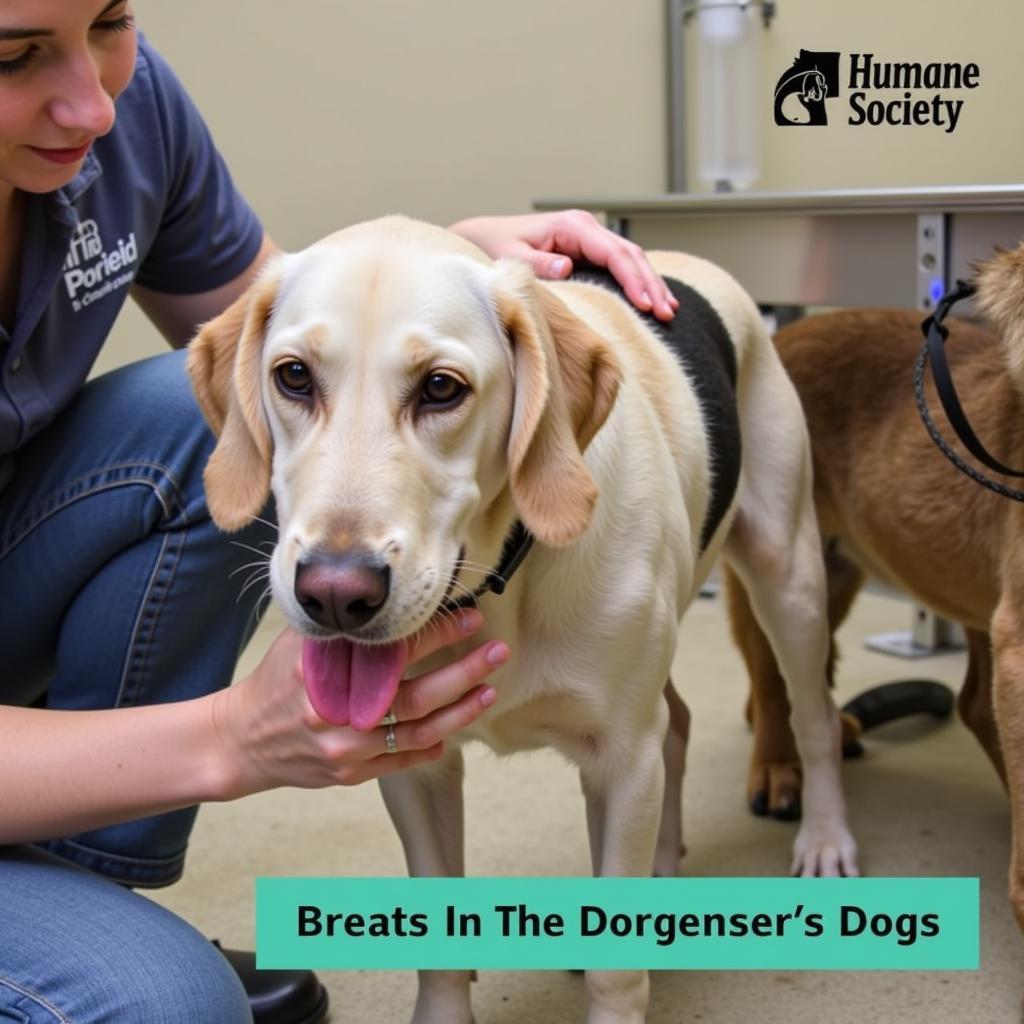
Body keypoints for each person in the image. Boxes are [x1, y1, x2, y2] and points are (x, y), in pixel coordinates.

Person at [0, 3, 679, 1022]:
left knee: (205, 421)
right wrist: (230, 736)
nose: (94, 101)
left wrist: (460, 277)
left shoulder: (132, 113)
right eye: (12, 55)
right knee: (168, 1006)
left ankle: (72, 874)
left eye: (109, 18)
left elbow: (303, 321)